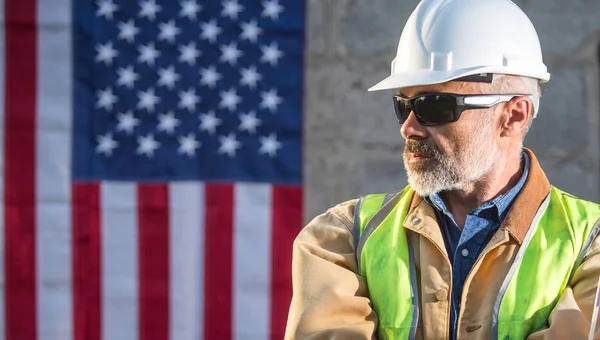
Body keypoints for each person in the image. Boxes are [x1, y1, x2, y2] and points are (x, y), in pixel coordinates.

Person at [284, 0, 600, 339]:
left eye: (434, 105)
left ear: (514, 115)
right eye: (402, 104)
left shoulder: (590, 245)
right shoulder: (342, 239)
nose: (408, 127)